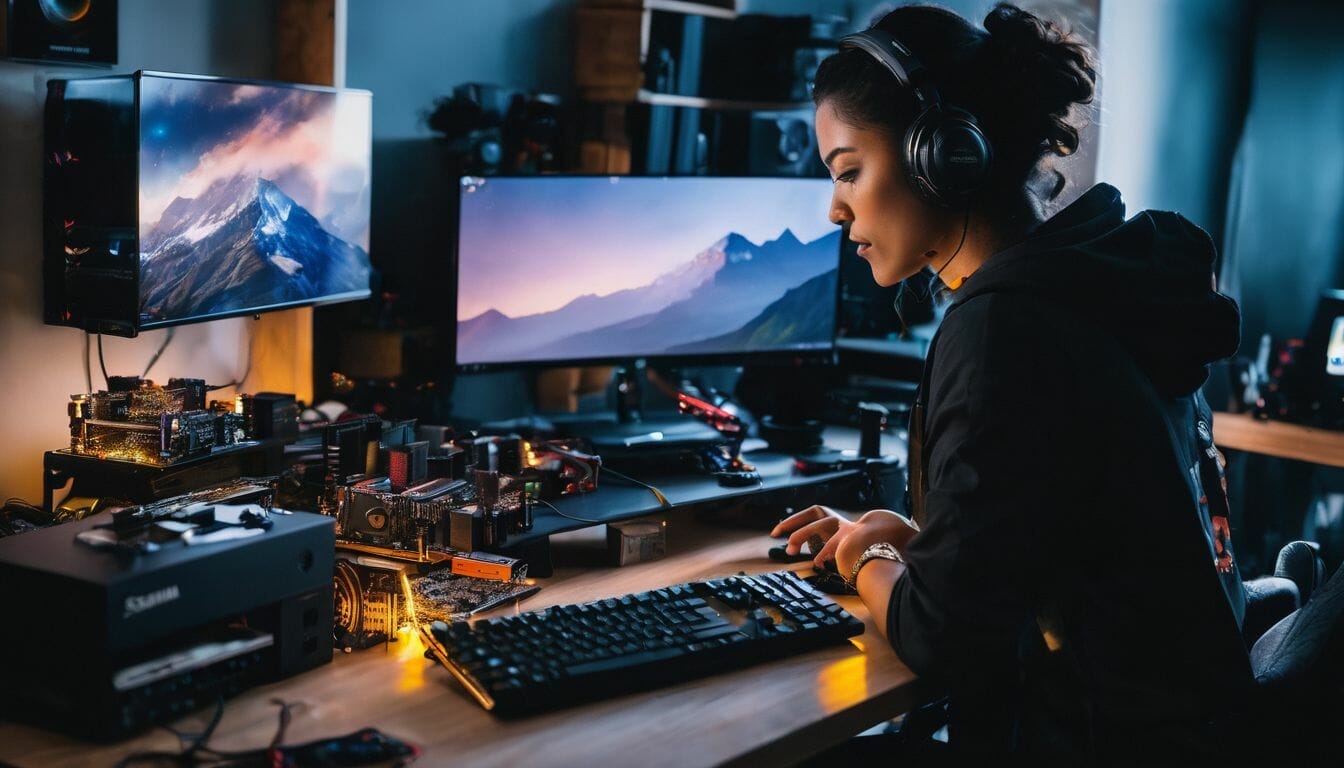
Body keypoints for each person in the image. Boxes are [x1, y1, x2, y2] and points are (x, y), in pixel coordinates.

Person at [773, 3, 1251, 762]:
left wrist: (869, 559)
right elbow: (1073, 538)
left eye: (850, 171)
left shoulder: (1005, 327)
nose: (836, 208)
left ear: (944, 154)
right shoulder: (1102, 283)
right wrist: (919, 549)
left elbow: (941, 640)